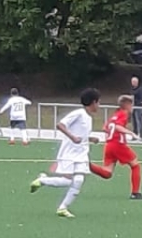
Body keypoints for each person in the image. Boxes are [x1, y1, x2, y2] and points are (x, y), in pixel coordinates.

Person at [28, 89, 102, 218]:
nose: (99, 105)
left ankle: (63, 208)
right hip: (69, 153)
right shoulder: (78, 113)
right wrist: (72, 137)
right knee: (67, 181)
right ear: (93, 102)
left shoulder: (88, 118)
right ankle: (43, 180)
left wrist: (91, 138)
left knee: (79, 180)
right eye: (98, 102)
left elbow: (81, 135)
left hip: (82, 154)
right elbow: (60, 125)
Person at [98, 95, 142, 198]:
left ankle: (88, 165)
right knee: (135, 165)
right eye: (131, 104)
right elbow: (118, 126)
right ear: (126, 105)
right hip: (118, 144)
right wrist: (131, 133)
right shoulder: (124, 113)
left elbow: (105, 128)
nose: (132, 106)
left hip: (109, 145)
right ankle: (135, 193)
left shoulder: (115, 114)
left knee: (107, 173)